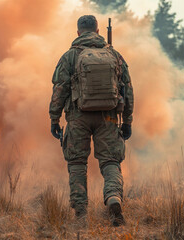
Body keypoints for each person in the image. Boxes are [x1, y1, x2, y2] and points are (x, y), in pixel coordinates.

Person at [49, 15, 134, 227]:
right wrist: (128, 121)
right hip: (108, 116)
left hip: (78, 117)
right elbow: (128, 90)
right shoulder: (114, 55)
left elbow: (59, 90)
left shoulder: (69, 56)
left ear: (78, 33)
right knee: (110, 161)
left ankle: (80, 214)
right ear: (97, 32)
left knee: (77, 162)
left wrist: (54, 118)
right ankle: (113, 197)